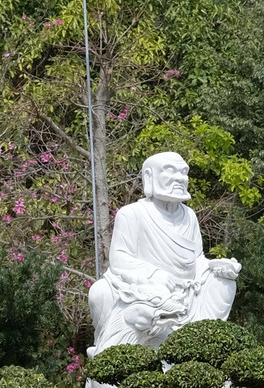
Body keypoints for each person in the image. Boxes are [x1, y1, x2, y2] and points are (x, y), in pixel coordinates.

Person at [87, 152, 241, 354]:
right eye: (171, 171)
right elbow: (119, 258)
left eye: (183, 172)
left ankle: (202, 344)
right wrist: (154, 274)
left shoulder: (189, 216)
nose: (180, 178)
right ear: (150, 176)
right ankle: (112, 351)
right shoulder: (132, 213)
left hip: (188, 292)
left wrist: (216, 266)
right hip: (151, 289)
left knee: (225, 284)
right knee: (99, 292)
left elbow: (196, 260)